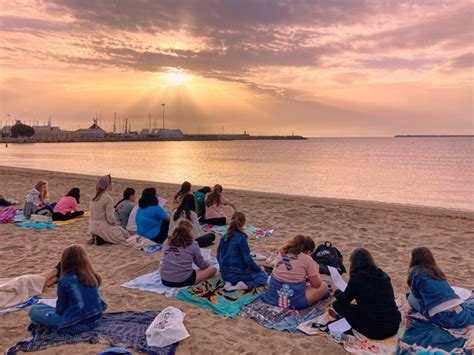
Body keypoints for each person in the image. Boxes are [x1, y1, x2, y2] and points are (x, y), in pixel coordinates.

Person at [28, 245, 107, 334]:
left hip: (75, 325)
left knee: (34, 311)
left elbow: (61, 309)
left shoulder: (64, 281)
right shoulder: (92, 276)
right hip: (96, 320)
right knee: (41, 307)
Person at [332, 248, 401, 340]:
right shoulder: (383, 275)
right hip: (393, 324)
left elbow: (344, 300)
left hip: (374, 330)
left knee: (337, 305)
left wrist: (336, 291)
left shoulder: (357, 279)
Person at [407, 247, 473, 328]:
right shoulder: (436, 271)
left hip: (444, 318)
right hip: (462, 313)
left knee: (411, 297)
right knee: (469, 305)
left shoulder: (415, 271)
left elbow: (416, 295)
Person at [261, 235, 328, 310]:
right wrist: (317, 270)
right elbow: (316, 284)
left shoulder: (282, 253)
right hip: (293, 301)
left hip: (272, 295)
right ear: (308, 251)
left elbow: (290, 272)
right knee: (324, 286)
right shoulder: (307, 258)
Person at [217, 212, 267, 290]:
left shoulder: (224, 236)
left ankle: (229, 282)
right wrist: (258, 268)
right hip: (236, 273)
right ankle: (244, 285)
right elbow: (247, 260)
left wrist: (223, 268)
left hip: (224, 274)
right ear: (243, 223)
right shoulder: (241, 237)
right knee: (263, 276)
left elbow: (218, 256)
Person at [160, 220, 217, 287]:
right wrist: (208, 263)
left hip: (164, 279)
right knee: (213, 269)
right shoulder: (192, 244)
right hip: (183, 280)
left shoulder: (167, 241)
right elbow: (202, 265)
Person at [89, 175, 129, 245]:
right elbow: (110, 218)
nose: (112, 185)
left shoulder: (94, 197)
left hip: (92, 226)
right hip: (103, 227)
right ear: (108, 185)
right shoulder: (107, 198)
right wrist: (114, 223)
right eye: (111, 183)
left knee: (120, 230)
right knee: (123, 235)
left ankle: (99, 237)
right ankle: (102, 239)